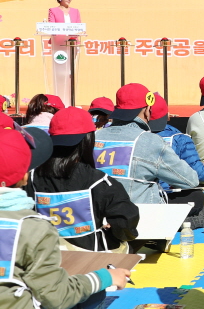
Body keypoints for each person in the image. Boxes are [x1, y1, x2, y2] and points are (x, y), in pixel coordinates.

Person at [0, 128, 131, 309]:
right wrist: (104, 277)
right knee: (94, 293)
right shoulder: (33, 227)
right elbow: (56, 297)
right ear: (24, 175)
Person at [26, 107, 139, 253]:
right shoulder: (100, 182)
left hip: (42, 256)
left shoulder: (30, 178)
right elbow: (125, 223)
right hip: (89, 260)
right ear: (88, 139)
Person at [95, 84, 200, 207]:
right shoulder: (151, 141)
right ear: (147, 111)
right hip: (141, 213)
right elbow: (191, 180)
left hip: (99, 211)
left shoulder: (95, 136)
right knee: (197, 197)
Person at [150, 92, 204, 225]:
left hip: (130, 199)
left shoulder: (125, 137)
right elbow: (198, 173)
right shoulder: (178, 138)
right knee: (198, 199)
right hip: (163, 198)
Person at [46, 0, 82, 106]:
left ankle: (70, 102)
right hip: (59, 45)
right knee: (61, 74)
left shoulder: (75, 11)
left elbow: (79, 27)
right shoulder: (53, 10)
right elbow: (52, 27)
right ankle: (59, 102)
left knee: (70, 74)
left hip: (72, 45)